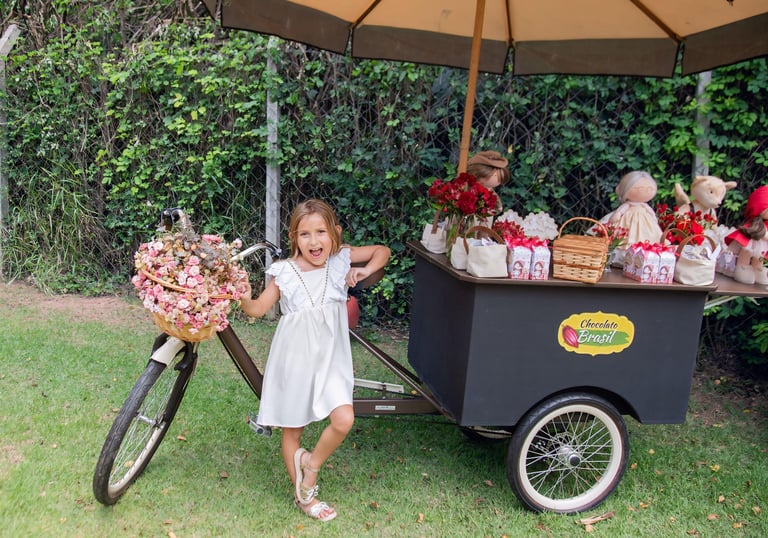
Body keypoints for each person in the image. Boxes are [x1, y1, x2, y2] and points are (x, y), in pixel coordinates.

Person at [239, 199, 390, 522]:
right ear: (294, 237)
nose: (314, 241)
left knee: (343, 420)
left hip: (332, 360)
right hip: (295, 361)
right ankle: (305, 497)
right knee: (292, 431)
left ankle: (311, 464)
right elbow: (257, 309)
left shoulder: (340, 260)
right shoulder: (285, 272)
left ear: (334, 233)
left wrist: (365, 270)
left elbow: (382, 251)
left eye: (321, 232)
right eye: (305, 234)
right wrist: (241, 294)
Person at [600, 170, 663, 265]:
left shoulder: (644, 206)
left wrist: (654, 219)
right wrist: (616, 215)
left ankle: (645, 257)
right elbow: (619, 212)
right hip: (627, 222)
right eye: (638, 188)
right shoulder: (628, 205)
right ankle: (623, 257)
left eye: (649, 189)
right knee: (622, 239)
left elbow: (652, 213)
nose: (643, 191)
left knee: (650, 239)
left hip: (645, 225)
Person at [724, 185, 768, 285]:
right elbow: (761, 233)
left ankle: (758, 269)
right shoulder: (754, 225)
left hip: (762, 247)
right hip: (751, 243)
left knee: (760, 257)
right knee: (746, 252)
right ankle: (742, 266)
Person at [466, 150, 510, 214]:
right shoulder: (469, 187)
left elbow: (495, 198)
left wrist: (497, 206)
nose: (498, 181)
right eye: (496, 175)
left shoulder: (489, 189)